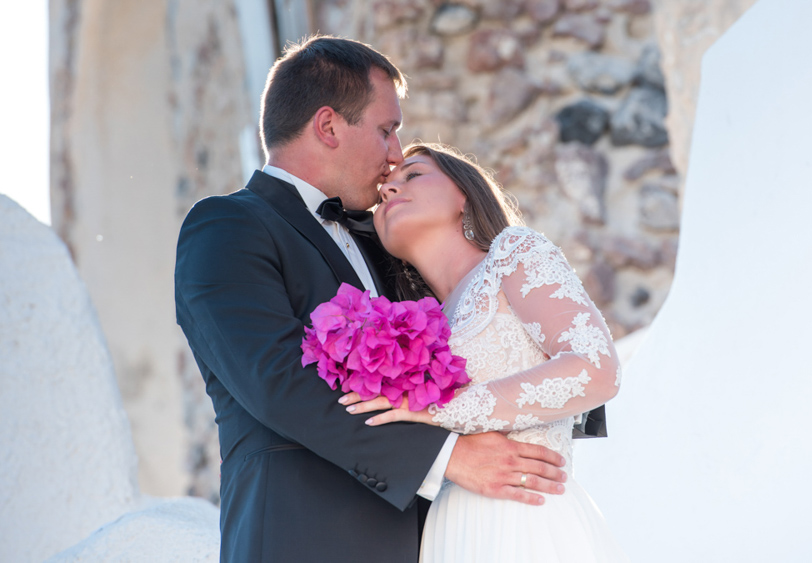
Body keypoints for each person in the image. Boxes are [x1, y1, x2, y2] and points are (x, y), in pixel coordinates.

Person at [174, 36, 568, 563]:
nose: (396, 155)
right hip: (303, 539)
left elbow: (472, 343)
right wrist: (448, 457)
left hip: (435, 540)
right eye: (386, 130)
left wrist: (549, 402)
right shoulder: (228, 226)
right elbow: (276, 380)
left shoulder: (382, 239)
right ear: (328, 126)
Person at [342, 143, 629, 562]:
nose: (388, 190)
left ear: (464, 195)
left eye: (413, 174)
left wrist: (438, 409)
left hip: (527, 521)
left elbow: (596, 370)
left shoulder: (513, 254)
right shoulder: (413, 326)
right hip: (447, 534)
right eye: (383, 191)